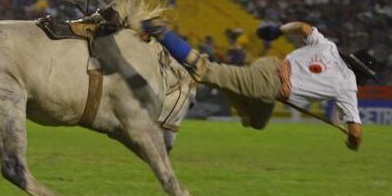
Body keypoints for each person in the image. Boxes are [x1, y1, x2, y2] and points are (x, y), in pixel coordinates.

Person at [142, 19, 379, 151]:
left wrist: (277, 31)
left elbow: (304, 27)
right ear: (361, 74)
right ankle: (161, 32)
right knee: (207, 71)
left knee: (255, 122)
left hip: (269, 68)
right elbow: (356, 133)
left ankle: (228, 83)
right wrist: (352, 143)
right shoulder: (348, 85)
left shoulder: (329, 47)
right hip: (268, 84)